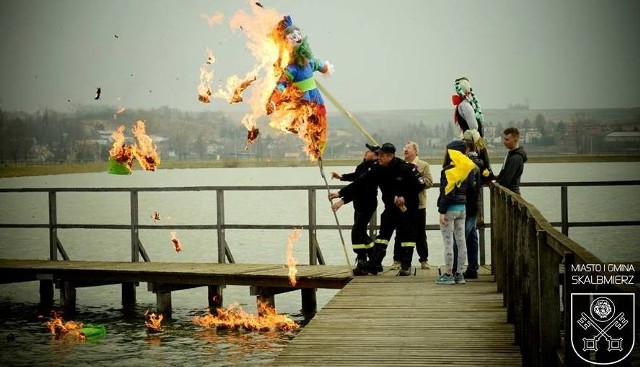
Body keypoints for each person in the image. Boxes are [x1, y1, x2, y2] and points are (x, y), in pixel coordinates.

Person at [329, 143, 425, 276]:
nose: (378, 157)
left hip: (408, 208)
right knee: (382, 237)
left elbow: (421, 184)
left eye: (381, 155)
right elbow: (359, 183)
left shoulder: (406, 168)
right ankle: (374, 264)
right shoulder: (376, 169)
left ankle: (406, 266)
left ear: (389, 156)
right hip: (390, 208)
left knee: (407, 237)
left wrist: (404, 197)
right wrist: (340, 193)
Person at [330, 143, 380, 275]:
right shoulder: (362, 166)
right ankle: (374, 262)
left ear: (376, 156)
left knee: (356, 232)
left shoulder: (374, 169)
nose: (365, 152)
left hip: (367, 204)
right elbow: (355, 176)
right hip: (358, 204)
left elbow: (359, 186)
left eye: (369, 151)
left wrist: (341, 198)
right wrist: (341, 177)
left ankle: (365, 262)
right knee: (361, 233)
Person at [436, 140, 476, 285]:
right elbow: (471, 188)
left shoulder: (447, 170)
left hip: (450, 209)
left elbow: (446, 193)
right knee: (461, 241)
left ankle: (448, 274)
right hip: (462, 208)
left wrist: (442, 211)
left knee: (448, 242)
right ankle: (459, 274)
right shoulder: (467, 168)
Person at [392, 141, 433, 270]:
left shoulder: (423, 165)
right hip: (402, 206)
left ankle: (424, 260)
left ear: (416, 151)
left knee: (420, 233)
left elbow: (429, 182)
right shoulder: (399, 165)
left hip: (419, 205)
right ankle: (397, 260)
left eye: (408, 148)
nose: (405, 150)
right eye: (404, 148)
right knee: (400, 232)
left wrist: (417, 176)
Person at [451, 77, 494, 183]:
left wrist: (467, 137)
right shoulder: (470, 104)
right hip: (474, 138)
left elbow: (473, 126)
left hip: (472, 139)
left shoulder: (464, 105)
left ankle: (485, 175)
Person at [452, 138, 484, 279]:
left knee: (460, 238)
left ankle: (455, 269)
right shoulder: (475, 166)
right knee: (471, 237)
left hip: (465, 206)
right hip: (472, 206)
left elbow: (467, 188)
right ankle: (472, 268)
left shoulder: (467, 167)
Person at [496, 127, 527, 195]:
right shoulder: (511, 154)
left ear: (515, 140)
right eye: (504, 139)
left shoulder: (515, 158)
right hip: (509, 193)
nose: (504, 142)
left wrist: (496, 184)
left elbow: (506, 179)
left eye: (507, 139)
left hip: (512, 195)